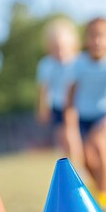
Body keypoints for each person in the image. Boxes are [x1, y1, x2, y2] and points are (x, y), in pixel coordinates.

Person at [64, 17, 106, 211]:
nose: (96, 41)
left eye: (102, 36)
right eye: (92, 36)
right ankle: (99, 189)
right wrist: (70, 126)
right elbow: (70, 98)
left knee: (100, 145)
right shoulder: (78, 64)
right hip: (84, 117)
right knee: (84, 159)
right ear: (85, 39)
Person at [36, 17, 83, 162]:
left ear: (72, 45)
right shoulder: (46, 64)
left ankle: (78, 165)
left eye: (63, 47)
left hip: (76, 105)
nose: (60, 52)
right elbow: (44, 89)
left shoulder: (78, 62)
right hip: (57, 105)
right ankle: (69, 163)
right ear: (49, 47)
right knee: (62, 137)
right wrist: (42, 108)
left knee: (71, 134)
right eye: (55, 48)